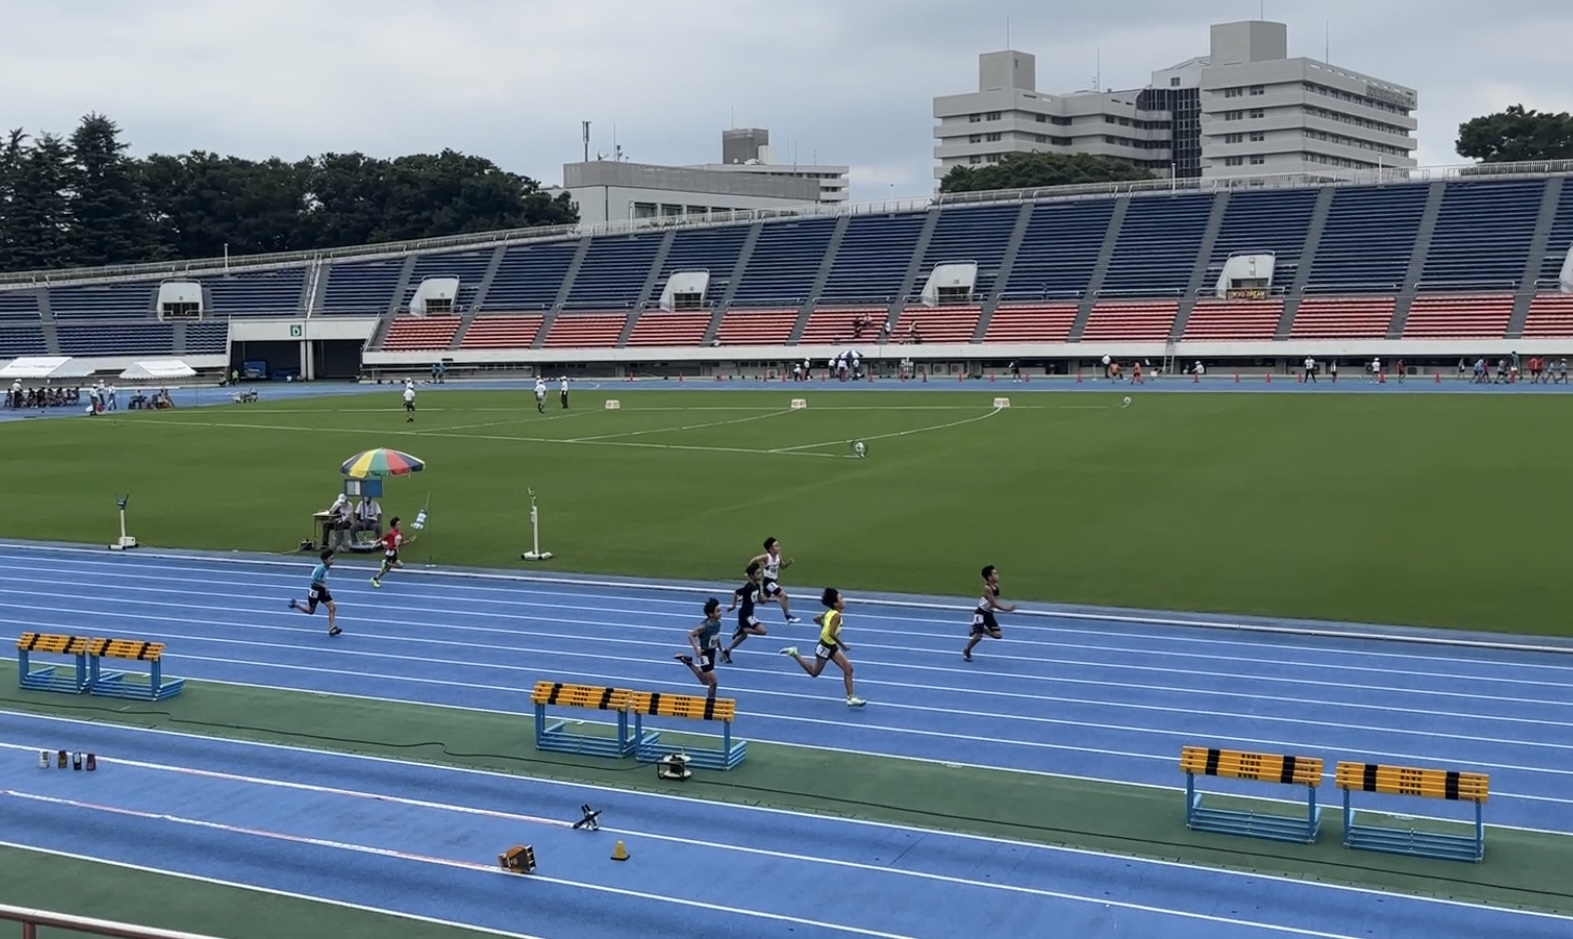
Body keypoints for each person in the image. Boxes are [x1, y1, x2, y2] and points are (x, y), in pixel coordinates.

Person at [779, 588, 864, 707]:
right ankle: (795, 653)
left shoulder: (830, 612)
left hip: (830, 646)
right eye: (841, 598)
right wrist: (843, 645)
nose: (844, 600)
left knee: (848, 669)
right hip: (825, 646)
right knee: (814, 673)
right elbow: (831, 634)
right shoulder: (836, 616)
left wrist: (823, 624)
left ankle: (851, 698)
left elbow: (816, 619)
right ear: (835, 603)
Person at [963, 565, 1017, 662]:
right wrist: (1007, 609)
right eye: (995, 574)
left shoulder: (996, 586)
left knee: (998, 635)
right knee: (978, 637)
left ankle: (981, 628)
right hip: (981, 613)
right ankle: (967, 650)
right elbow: (993, 603)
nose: (998, 576)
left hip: (988, 613)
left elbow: (993, 603)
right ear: (989, 577)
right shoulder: (988, 588)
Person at [674, 598, 724, 698]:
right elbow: (691, 635)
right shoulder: (704, 626)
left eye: (720, 610)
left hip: (712, 653)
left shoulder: (718, 624)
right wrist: (696, 648)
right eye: (718, 611)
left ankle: (688, 662)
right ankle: (710, 705)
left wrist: (720, 649)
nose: (721, 613)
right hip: (704, 655)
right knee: (713, 683)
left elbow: (716, 636)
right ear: (711, 614)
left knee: (705, 681)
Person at [720, 562, 768, 663]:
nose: (760, 575)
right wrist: (733, 606)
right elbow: (736, 592)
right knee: (763, 631)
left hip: (750, 613)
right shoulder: (748, 587)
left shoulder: (757, 586)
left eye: (760, 573)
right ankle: (743, 629)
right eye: (757, 573)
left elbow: (761, 600)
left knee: (743, 637)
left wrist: (771, 598)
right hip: (745, 614)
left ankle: (727, 650)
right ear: (751, 575)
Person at [288, 548, 341, 636]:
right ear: (325, 560)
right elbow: (314, 580)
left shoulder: (326, 567)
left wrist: (324, 588)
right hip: (315, 590)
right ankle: (296, 604)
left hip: (322, 590)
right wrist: (325, 586)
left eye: (333, 558)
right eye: (331, 559)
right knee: (310, 611)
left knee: (332, 607)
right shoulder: (321, 568)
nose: (333, 561)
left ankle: (332, 628)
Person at [750, 537, 801, 624]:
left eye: (778, 545)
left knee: (763, 600)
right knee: (783, 596)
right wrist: (751, 571)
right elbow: (753, 561)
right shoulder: (766, 557)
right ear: (770, 548)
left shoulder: (778, 556)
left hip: (774, 581)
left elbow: (782, 567)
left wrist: (788, 563)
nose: (779, 547)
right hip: (768, 582)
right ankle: (788, 617)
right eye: (776, 546)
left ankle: (749, 597)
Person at [370, 517, 416, 588]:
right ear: (393, 525)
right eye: (398, 524)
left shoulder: (400, 533)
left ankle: (384, 568)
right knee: (394, 567)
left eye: (399, 524)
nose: (399, 525)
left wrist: (409, 541)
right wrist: (375, 542)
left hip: (395, 553)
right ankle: (376, 578)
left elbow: (401, 543)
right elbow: (382, 538)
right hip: (390, 553)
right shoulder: (390, 533)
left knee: (388, 569)